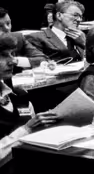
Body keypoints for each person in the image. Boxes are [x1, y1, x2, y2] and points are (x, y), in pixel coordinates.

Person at [0, 34, 58, 162]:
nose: (12, 61)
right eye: (3, 56)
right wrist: (27, 129)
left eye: (12, 54)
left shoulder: (20, 96)